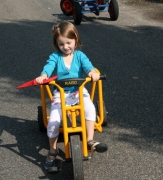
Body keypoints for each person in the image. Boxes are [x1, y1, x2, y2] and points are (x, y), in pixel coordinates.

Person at [36, 21, 108, 169]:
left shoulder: (80, 55)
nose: (66, 47)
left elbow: (88, 66)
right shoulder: (55, 57)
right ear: (57, 44)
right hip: (61, 94)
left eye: (69, 43)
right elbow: (48, 67)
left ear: (76, 40)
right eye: (61, 44)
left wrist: (92, 72)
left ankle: (89, 140)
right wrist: (43, 75)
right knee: (54, 121)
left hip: (79, 91)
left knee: (90, 109)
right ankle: (53, 150)